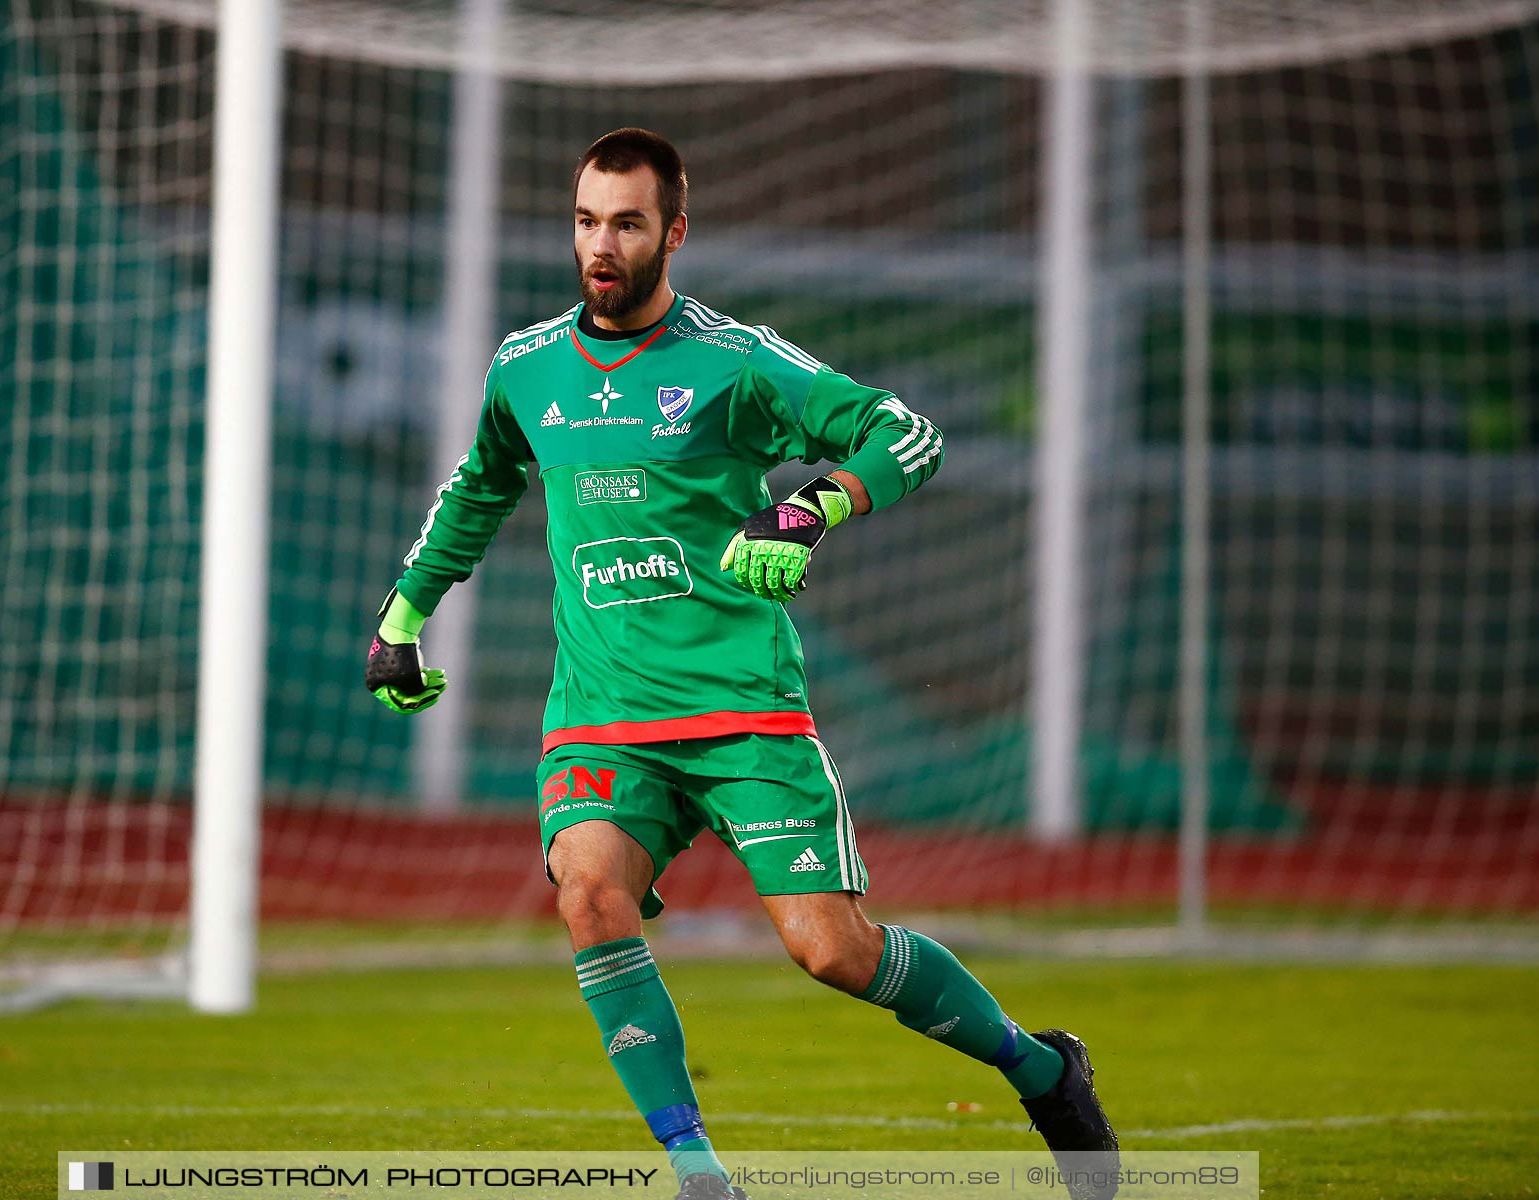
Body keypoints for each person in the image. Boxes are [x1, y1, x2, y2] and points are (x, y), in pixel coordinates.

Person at [366, 128, 1118, 1200]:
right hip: (601, 711)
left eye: (627, 222)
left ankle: (1042, 1069)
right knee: (588, 894)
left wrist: (817, 502)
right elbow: (478, 490)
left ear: (675, 231)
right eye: (586, 220)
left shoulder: (735, 362)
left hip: (742, 709)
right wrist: (402, 618)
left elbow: (904, 434)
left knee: (833, 953)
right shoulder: (526, 370)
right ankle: (698, 1170)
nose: (601, 245)